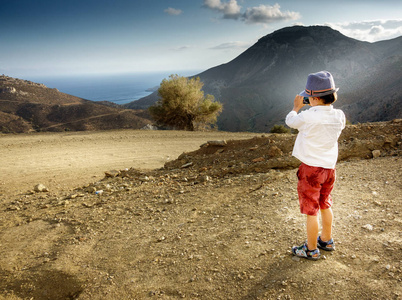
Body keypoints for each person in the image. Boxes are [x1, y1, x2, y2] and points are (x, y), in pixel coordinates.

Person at [285, 71, 346, 260]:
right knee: (325, 203)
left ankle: (310, 250)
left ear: (315, 99)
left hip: (311, 169)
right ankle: (326, 240)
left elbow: (290, 122)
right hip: (329, 168)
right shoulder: (339, 116)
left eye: (309, 97)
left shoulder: (308, 116)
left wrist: (296, 107)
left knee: (311, 210)